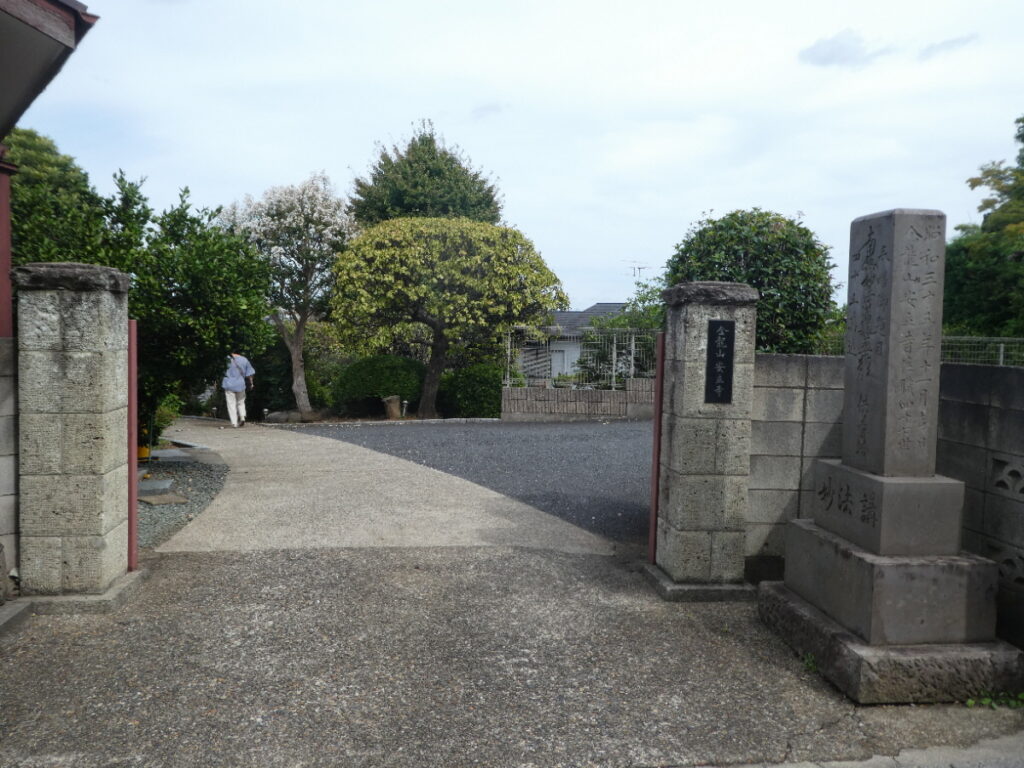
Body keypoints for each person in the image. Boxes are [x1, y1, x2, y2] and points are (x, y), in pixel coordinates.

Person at [221, 352, 255, 428]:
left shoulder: (226, 359)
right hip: (240, 385)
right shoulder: (244, 360)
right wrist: (251, 383)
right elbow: (250, 373)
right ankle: (242, 417)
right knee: (241, 402)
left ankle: (234, 423)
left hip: (229, 384)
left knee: (231, 404)